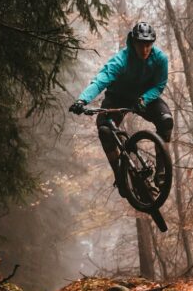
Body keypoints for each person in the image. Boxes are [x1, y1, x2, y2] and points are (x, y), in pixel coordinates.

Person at [69, 21, 172, 195]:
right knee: (105, 131)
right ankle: (120, 175)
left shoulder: (160, 58)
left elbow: (159, 84)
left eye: (148, 45)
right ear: (133, 42)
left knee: (166, 121)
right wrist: (82, 100)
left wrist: (144, 99)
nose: (145, 49)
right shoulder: (121, 60)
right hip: (117, 98)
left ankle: (162, 171)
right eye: (141, 44)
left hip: (144, 98)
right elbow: (101, 79)